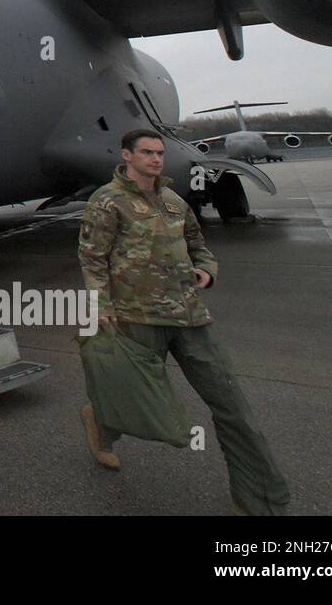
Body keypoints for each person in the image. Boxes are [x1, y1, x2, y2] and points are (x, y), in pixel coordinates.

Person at [77, 128, 291, 516]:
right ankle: (102, 424)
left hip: (190, 316)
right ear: (127, 156)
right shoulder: (107, 202)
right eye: (147, 153)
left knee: (233, 408)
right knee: (129, 398)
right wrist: (100, 303)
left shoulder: (174, 201)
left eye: (159, 152)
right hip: (136, 316)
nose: (156, 159)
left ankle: (262, 502)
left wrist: (206, 269)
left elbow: (199, 245)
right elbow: (92, 258)